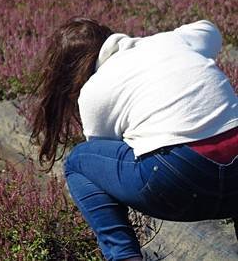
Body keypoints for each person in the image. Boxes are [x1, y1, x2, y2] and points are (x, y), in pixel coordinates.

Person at [30, 18, 238, 261]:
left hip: (178, 177)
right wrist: (168, 41)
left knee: (79, 162)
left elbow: (109, 164)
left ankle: (124, 256)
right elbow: (208, 29)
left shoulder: (93, 92)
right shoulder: (172, 40)